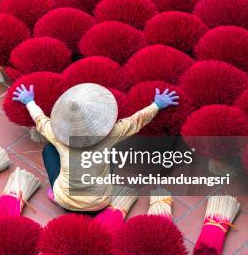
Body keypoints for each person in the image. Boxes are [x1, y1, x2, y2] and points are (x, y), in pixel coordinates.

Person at [13, 83, 179, 212]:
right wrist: (157, 104)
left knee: (49, 150)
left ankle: (56, 195)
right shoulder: (111, 135)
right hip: (100, 203)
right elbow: (136, 121)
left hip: (66, 202)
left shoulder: (57, 136)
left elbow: (41, 121)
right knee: (111, 152)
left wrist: (29, 100)